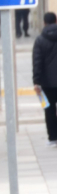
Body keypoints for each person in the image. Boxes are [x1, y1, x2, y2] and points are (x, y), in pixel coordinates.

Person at [32, 12, 57, 146]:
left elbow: (37, 62)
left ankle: (53, 138)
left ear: (44, 23)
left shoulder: (40, 40)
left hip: (47, 83)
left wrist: (36, 81)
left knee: (49, 108)